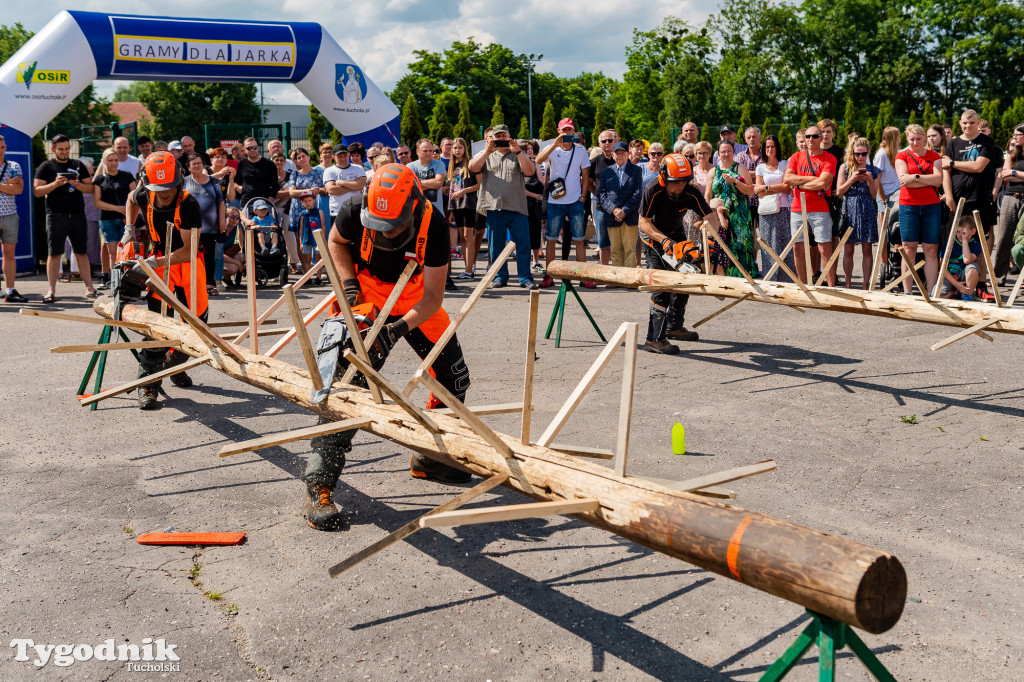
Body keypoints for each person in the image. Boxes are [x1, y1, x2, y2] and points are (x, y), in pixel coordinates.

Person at [302, 163, 473, 530]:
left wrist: (394, 331)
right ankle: (319, 483)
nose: (387, 232)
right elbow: (335, 242)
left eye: (395, 225)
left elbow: (432, 296)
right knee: (350, 388)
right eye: (379, 225)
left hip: (414, 300)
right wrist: (348, 288)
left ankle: (430, 457)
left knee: (453, 379)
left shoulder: (436, 225)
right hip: (367, 293)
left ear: (413, 205)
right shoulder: (351, 210)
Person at [124, 151, 207, 409]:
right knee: (158, 324)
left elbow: (188, 250)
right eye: (158, 188)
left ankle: (174, 365)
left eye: (168, 188)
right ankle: (148, 382)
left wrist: (153, 262)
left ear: (178, 181)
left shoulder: (189, 204)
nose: (163, 193)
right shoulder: (143, 194)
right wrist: (129, 228)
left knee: (198, 324)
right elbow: (130, 199)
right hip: (159, 261)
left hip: (187, 261)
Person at [638, 153, 722, 353]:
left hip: (677, 235)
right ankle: (654, 339)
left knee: (686, 277)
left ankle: (674, 327)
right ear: (663, 178)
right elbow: (643, 222)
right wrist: (665, 241)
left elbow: (711, 216)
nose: (682, 186)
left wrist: (710, 239)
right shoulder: (653, 190)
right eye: (677, 182)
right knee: (663, 286)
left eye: (685, 181)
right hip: (654, 239)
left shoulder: (690, 192)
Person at [468, 123, 537, 290]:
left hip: (517, 206)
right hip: (494, 207)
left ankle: (525, 277)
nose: (501, 139)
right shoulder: (486, 154)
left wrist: (519, 152)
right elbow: (472, 168)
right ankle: (500, 276)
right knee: (496, 245)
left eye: (503, 136)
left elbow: (530, 172)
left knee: (523, 244)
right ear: (491, 138)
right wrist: (487, 151)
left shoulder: (517, 153)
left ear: (509, 136)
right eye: (497, 136)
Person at [942, 110, 1001, 300]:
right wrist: (949, 196)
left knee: (980, 245)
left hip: (980, 200)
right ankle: (954, 285)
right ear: (960, 123)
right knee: (954, 242)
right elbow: (945, 172)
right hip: (958, 201)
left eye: (972, 123)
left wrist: (952, 163)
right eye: (965, 123)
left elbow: (979, 166)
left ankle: (981, 285)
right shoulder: (953, 143)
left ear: (977, 123)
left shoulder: (986, 142)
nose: (968, 126)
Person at [34, 134, 98, 302]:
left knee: (81, 252)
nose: (64, 152)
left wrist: (78, 185)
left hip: (77, 215)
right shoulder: (46, 167)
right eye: (61, 149)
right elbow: (37, 191)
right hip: (55, 215)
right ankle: (51, 290)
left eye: (67, 149)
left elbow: (90, 188)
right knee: (54, 253)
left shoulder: (78, 165)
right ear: (53, 149)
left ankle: (90, 288)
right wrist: (55, 184)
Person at [536, 119, 592, 282]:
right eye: (564, 130)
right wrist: (554, 144)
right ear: (559, 131)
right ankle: (550, 275)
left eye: (569, 130)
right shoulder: (552, 149)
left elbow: (586, 176)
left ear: (573, 132)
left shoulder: (581, 151)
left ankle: (584, 276)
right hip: (555, 202)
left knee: (579, 239)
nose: (567, 133)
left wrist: (582, 197)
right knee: (551, 239)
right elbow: (539, 160)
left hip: (575, 201)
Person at [783, 125, 837, 286]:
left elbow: (824, 182)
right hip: (797, 208)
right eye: (807, 136)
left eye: (814, 136)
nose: (810, 140)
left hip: (820, 208)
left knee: (824, 248)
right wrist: (814, 181)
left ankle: (831, 287)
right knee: (797, 248)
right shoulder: (796, 157)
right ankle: (803, 286)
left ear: (822, 138)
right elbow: (787, 179)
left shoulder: (829, 158)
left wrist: (798, 184)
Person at [895, 124, 944, 294]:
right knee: (909, 248)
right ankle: (908, 292)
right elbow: (904, 180)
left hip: (931, 206)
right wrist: (925, 179)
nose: (915, 142)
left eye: (918, 139)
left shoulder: (934, 156)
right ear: (907, 139)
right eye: (912, 139)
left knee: (931, 249)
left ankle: (931, 291)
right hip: (909, 205)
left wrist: (915, 177)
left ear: (925, 139)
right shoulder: (902, 155)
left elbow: (938, 180)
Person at [706, 140, 758, 278]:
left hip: (739, 216)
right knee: (721, 245)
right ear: (718, 153)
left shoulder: (739, 168)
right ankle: (724, 278)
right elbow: (707, 195)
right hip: (719, 216)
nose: (726, 154)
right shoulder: (713, 171)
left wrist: (735, 181)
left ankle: (743, 276)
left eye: (729, 150)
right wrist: (707, 215)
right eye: (723, 151)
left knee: (741, 244)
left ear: (734, 152)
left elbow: (751, 191)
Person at [835, 138, 880, 288]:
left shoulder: (873, 170)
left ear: (868, 153)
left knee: (867, 249)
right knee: (848, 248)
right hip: (850, 208)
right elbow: (839, 192)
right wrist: (852, 179)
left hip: (867, 208)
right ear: (852, 153)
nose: (860, 157)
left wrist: (870, 180)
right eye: (856, 154)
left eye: (863, 154)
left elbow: (874, 195)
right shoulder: (845, 168)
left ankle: (865, 284)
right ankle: (848, 284)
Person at [93, 148, 137, 290]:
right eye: (110, 160)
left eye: (116, 160)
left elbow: (134, 197)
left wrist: (130, 214)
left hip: (126, 219)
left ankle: (128, 281)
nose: (113, 163)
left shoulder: (127, 176)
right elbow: (97, 202)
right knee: (113, 252)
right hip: (107, 219)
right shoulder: (100, 179)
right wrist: (117, 208)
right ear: (105, 161)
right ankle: (115, 282)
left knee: (128, 250)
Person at [183, 153, 226, 296]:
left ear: (203, 165)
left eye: (199, 163)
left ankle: (209, 284)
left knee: (209, 256)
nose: (196, 166)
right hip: (189, 227)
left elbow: (221, 202)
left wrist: (222, 221)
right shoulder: (184, 182)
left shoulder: (213, 181)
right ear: (188, 167)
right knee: (190, 255)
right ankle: (192, 284)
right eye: (193, 164)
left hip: (210, 226)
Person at [754, 134, 794, 283]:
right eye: (767, 147)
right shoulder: (760, 167)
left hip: (783, 209)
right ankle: (770, 277)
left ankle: (787, 278)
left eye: (772, 146)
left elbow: (786, 186)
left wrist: (767, 187)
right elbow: (758, 191)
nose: (770, 149)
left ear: (777, 148)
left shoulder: (785, 164)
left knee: (785, 243)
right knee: (768, 244)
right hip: (766, 211)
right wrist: (775, 188)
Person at [599, 141, 643, 269]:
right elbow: (602, 194)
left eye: (622, 153)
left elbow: (637, 194)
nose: (619, 156)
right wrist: (614, 210)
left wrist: (623, 211)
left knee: (630, 250)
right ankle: (617, 279)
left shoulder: (636, 170)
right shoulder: (607, 171)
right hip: (612, 216)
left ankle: (629, 279)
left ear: (628, 154)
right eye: (617, 153)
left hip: (629, 216)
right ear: (613, 155)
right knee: (616, 251)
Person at [286, 148, 326, 274]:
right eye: (298, 157)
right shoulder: (294, 174)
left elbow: (315, 191)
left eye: (303, 156)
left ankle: (317, 272)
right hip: (296, 210)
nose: (301, 159)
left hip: (311, 210)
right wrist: (306, 191)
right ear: (296, 161)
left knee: (314, 239)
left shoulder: (317, 173)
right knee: (300, 241)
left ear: (308, 157)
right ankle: (306, 271)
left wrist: (298, 192)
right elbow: (291, 192)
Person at [992, 125, 1024, 283]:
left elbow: (1010, 173)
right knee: (1004, 238)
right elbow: (1004, 176)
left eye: (1018, 134)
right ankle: (999, 276)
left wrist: (1013, 172)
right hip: (1011, 198)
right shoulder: (1012, 155)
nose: (1014, 137)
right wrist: (1015, 174)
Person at [446, 137, 481, 279]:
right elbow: (451, 188)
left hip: (469, 203)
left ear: (465, 149)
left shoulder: (471, 163)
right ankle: (467, 269)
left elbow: (480, 184)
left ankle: (469, 269)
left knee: (468, 236)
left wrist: (463, 191)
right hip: (456, 205)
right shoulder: (452, 165)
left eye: (460, 147)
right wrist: (451, 210)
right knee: (462, 237)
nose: (457, 150)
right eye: (455, 148)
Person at [0, 134, 26, 302]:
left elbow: (19, 190)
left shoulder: (13, 166)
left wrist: (10, 187)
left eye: (2, 147)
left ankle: (10, 289)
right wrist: (7, 186)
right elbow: (12, 188)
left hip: (9, 214)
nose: (1, 150)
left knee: (9, 254)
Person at [939, 216, 982, 301]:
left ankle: (967, 296)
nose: (960, 235)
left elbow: (967, 260)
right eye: (958, 232)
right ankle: (953, 294)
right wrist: (956, 284)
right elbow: (942, 268)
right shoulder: (949, 243)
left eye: (964, 233)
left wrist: (965, 240)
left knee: (973, 267)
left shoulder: (975, 244)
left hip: (964, 276)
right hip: (950, 277)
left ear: (973, 231)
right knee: (936, 296)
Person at [324, 143, 367, 220]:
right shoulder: (329, 171)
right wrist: (354, 184)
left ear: (348, 155)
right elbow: (331, 190)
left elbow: (362, 185)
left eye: (345, 155)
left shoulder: (358, 168)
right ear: (333, 157)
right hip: (338, 211)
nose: (343, 158)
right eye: (340, 156)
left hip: (357, 210)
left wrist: (342, 183)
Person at [235, 137, 278, 206]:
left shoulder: (269, 164)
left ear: (258, 148)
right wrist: (238, 187)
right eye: (249, 148)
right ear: (244, 150)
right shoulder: (240, 164)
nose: (252, 150)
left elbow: (275, 185)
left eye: (254, 147)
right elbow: (233, 180)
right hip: (246, 202)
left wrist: (269, 201)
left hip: (264, 203)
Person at [296, 189, 327, 277]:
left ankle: (318, 277)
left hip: (317, 239)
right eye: (305, 201)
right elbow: (301, 229)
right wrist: (301, 242)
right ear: (302, 203)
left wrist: (323, 239)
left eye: (310, 200)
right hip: (306, 239)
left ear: (314, 200)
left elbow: (323, 226)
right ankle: (308, 277)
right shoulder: (302, 214)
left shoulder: (319, 212)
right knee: (307, 259)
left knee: (318, 258)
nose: (308, 203)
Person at [874, 127, 902, 218]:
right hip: (885, 195)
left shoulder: (897, 152)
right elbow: (876, 180)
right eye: (898, 137)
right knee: (884, 227)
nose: (900, 140)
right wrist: (883, 200)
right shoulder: (881, 154)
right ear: (894, 138)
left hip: (897, 193)